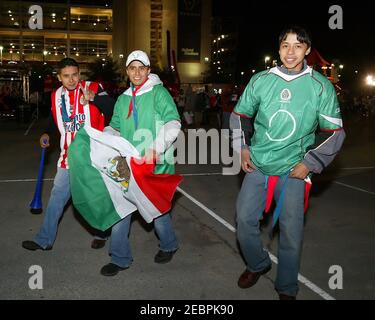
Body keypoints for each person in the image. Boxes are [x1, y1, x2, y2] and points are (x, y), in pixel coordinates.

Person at [230, 26, 346, 300]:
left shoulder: (320, 86)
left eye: (297, 45)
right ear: (278, 49)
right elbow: (238, 116)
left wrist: (311, 161)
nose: (290, 51)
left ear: (307, 49)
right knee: (244, 220)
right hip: (258, 164)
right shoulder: (260, 80)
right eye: (285, 45)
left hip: (294, 169)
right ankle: (257, 264)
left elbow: (335, 132)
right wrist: (242, 148)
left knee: (291, 232)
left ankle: (287, 287)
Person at [100, 50, 181, 276]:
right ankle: (119, 257)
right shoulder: (123, 98)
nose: (137, 72)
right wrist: (104, 138)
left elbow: (173, 122)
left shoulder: (159, 93)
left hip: (155, 162)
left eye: (141, 68)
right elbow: (114, 126)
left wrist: (155, 148)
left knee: (157, 210)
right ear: (127, 71)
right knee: (122, 209)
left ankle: (169, 244)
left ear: (148, 70)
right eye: (132, 68)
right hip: (127, 162)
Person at [22, 58, 115, 251]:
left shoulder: (94, 87)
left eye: (75, 74)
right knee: (56, 198)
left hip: (92, 158)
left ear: (79, 74)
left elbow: (114, 110)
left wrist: (94, 98)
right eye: (66, 76)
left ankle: (101, 232)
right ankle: (44, 240)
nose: (72, 80)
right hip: (67, 159)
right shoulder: (56, 96)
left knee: (95, 199)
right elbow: (53, 120)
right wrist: (47, 134)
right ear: (59, 77)